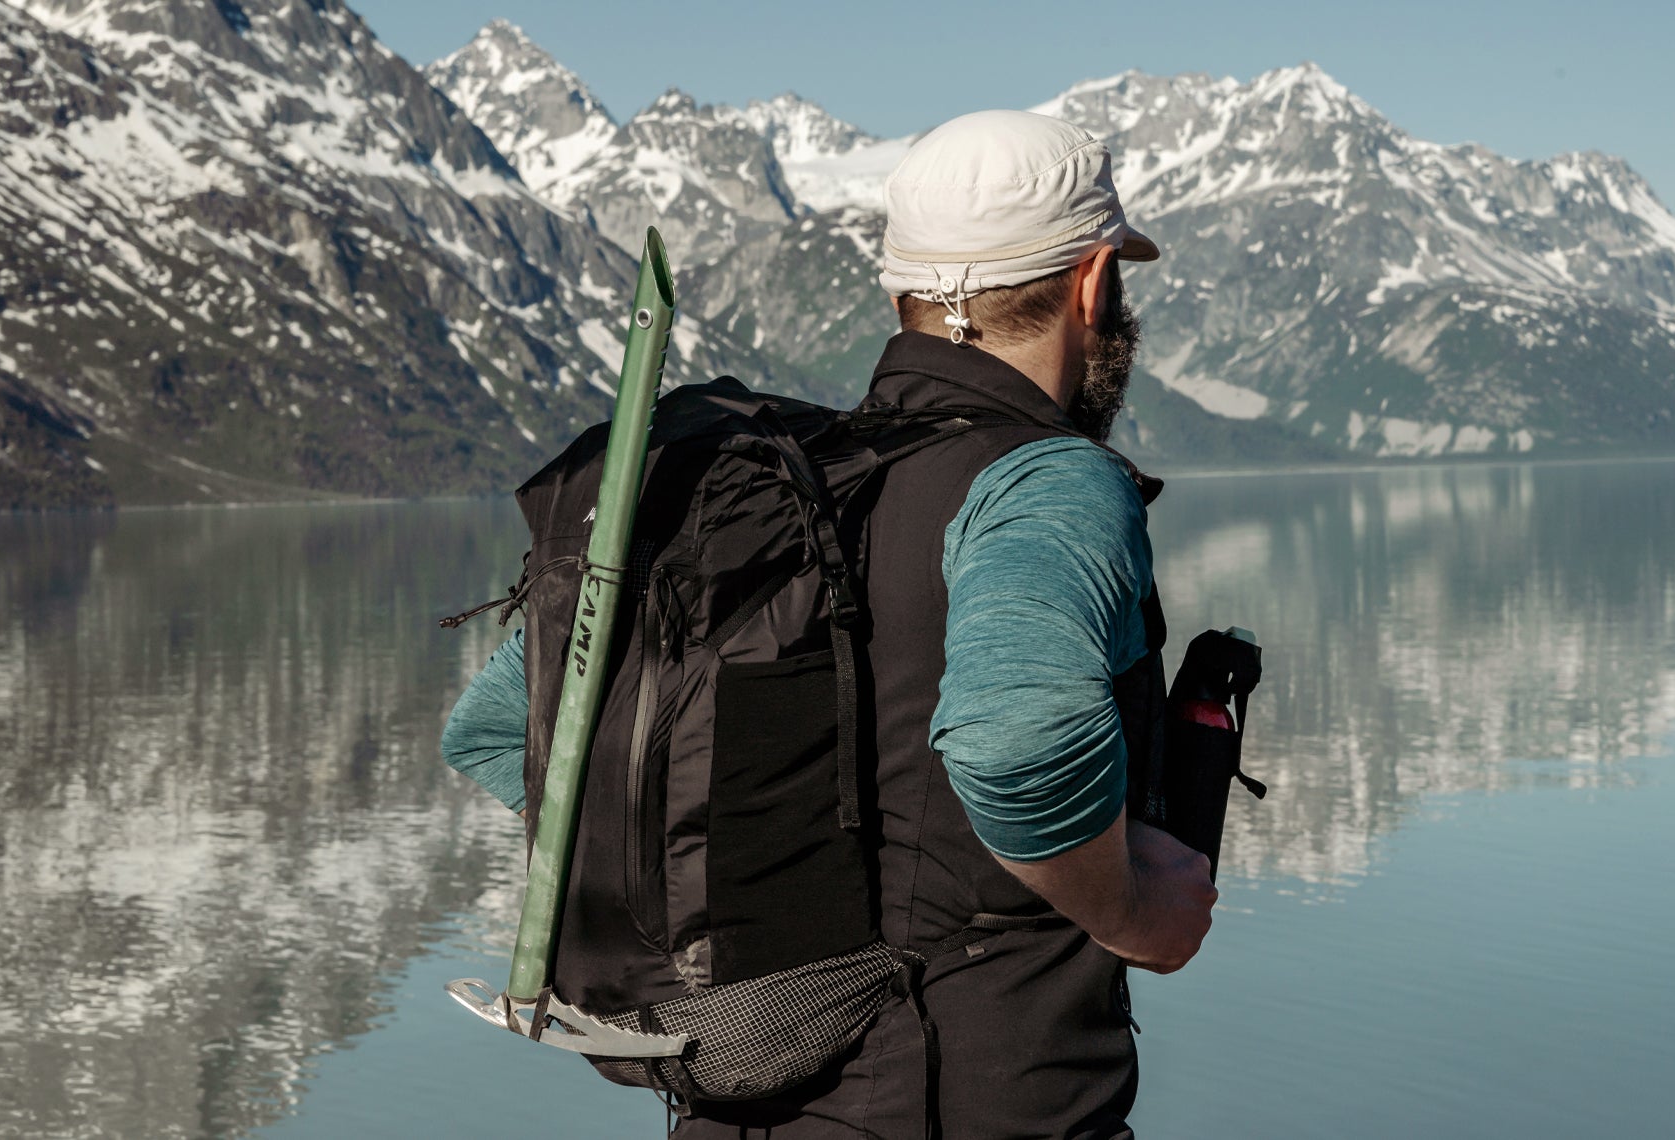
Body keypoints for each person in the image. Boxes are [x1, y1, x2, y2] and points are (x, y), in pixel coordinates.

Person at [441, 109, 1219, 1138]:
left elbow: (503, 730)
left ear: (899, 293)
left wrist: (730, 889)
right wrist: (1130, 910)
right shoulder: (1043, 484)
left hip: (735, 1098)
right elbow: (1014, 743)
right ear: (1089, 283)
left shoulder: (768, 489)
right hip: (978, 1106)